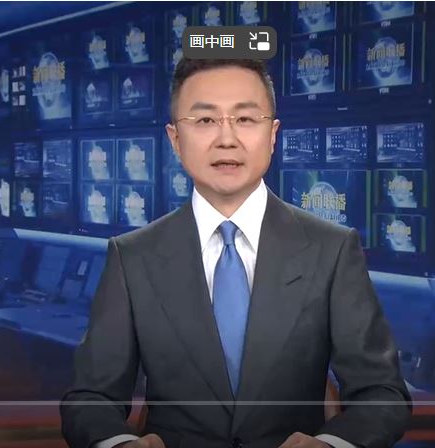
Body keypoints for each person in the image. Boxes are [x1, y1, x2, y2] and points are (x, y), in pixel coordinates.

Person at [61, 58, 411, 448]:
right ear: (175, 139)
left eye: (245, 119)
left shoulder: (332, 249)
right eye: (205, 120)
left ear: (273, 135)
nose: (226, 139)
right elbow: (90, 399)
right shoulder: (132, 257)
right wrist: (119, 443)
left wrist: (331, 444)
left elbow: (382, 393)